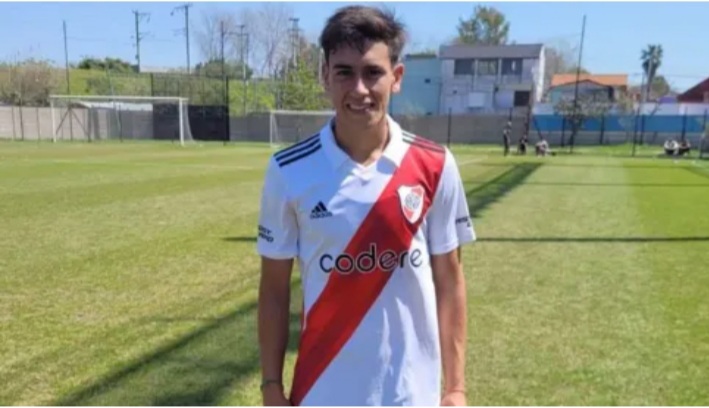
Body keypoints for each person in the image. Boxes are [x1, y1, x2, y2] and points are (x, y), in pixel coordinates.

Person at [256, 5, 476, 407]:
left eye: (373, 72)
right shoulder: (288, 171)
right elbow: (273, 289)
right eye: (344, 72)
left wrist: (456, 387)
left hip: (412, 394)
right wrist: (271, 385)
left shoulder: (435, 164)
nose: (359, 89)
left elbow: (450, 281)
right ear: (325, 76)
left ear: (397, 77)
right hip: (322, 393)